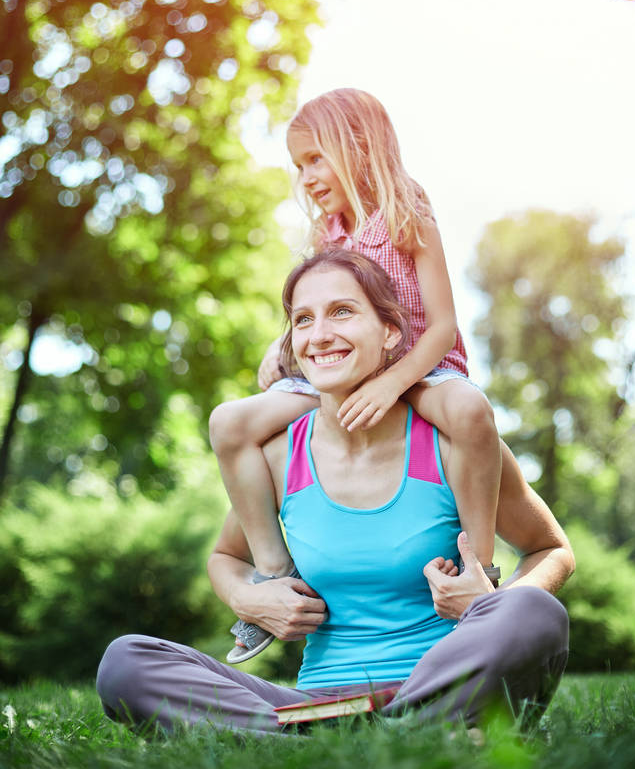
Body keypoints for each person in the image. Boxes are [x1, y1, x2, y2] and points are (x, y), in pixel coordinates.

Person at [97, 250, 574, 734]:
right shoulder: (280, 457)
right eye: (303, 320)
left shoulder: (454, 445)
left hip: (439, 685)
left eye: (342, 311)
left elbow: (551, 549)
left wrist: (488, 604)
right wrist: (248, 599)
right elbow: (226, 557)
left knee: (532, 611)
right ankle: (377, 737)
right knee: (128, 661)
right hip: (318, 702)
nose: (319, 334)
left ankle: (359, 734)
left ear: (391, 333)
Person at [209, 88, 503, 662]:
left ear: (359, 146)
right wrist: (282, 344)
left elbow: (442, 325)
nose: (308, 177)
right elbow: (321, 308)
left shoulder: (406, 209)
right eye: (300, 166)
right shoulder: (329, 232)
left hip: (419, 367)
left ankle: (480, 574)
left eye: (316, 158)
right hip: (344, 376)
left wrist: (392, 383)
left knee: (469, 411)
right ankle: (275, 570)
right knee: (229, 423)